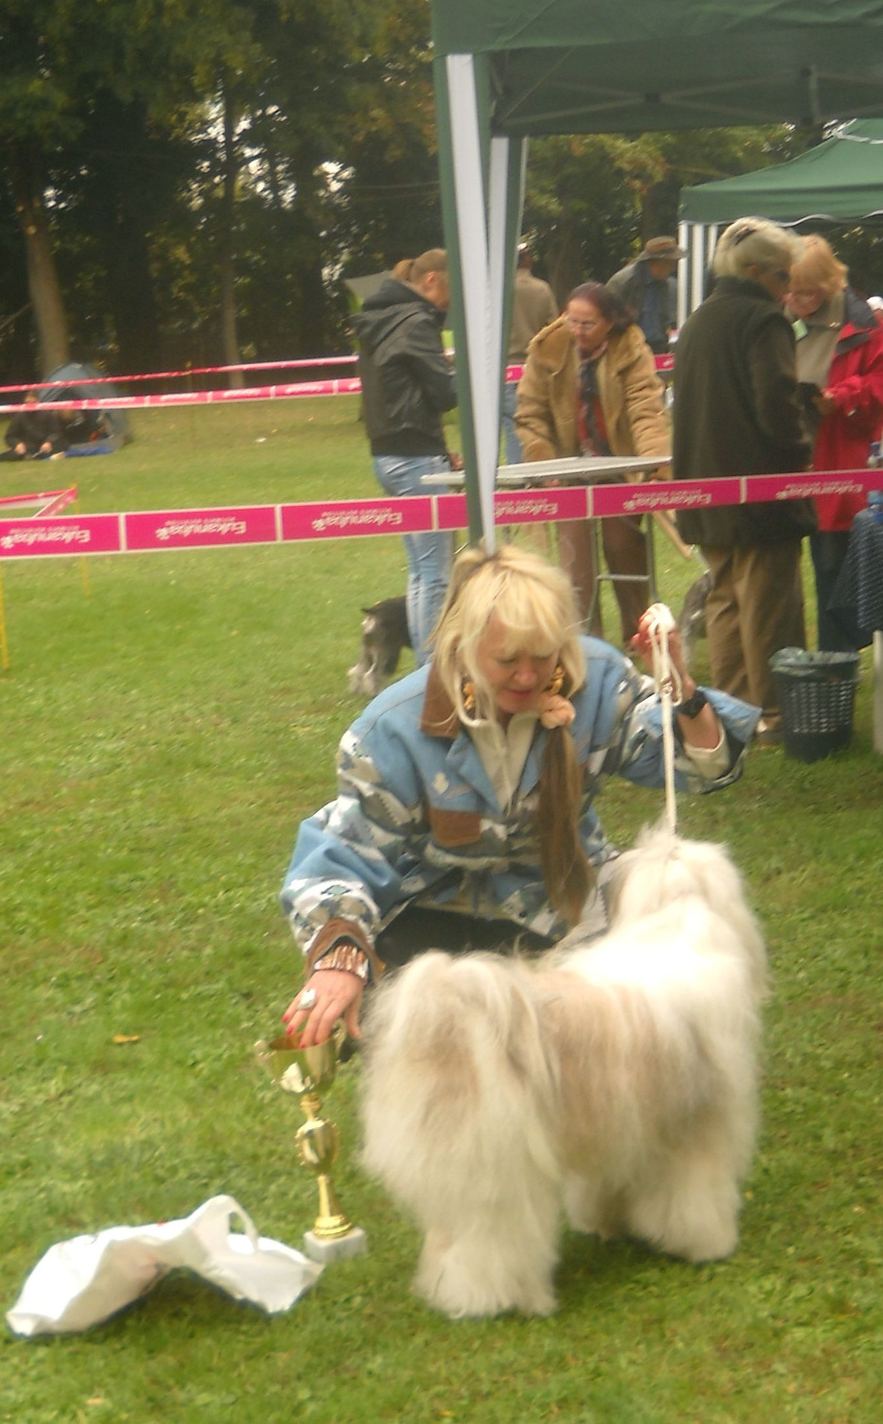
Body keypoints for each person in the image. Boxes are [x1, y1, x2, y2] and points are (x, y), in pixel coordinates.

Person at [278, 543, 759, 1048]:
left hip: (562, 900)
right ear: (461, 646)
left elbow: (705, 765)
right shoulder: (389, 731)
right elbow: (342, 858)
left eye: (543, 655)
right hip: (435, 913)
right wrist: (340, 958)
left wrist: (680, 688)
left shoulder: (598, 680)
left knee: (689, 892)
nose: (529, 676)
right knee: (428, 1044)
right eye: (507, 659)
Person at [672, 217, 812, 742]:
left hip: (705, 489)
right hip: (759, 492)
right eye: (782, 277)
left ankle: (734, 710)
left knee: (725, 603)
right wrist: (801, 447)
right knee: (769, 607)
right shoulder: (763, 321)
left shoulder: (698, 320)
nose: (789, 289)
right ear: (754, 271)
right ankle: (776, 714)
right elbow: (775, 403)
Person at [515, 281, 671, 642]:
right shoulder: (547, 349)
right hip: (567, 473)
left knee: (624, 551)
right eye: (572, 321)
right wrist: (543, 463)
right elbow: (530, 415)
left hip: (619, 470)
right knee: (575, 565)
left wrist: (654, 466)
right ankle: (585, 646)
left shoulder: (631, 348)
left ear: (610, 323)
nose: (577, 331)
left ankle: (638, 639)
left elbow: (646, 411)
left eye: (587, 324)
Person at [786, 236, 883, 650]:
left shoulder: (866, 323)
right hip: (793, 456)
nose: (798, 300)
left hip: (845, 458)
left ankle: (838, 657)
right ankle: (826, 653)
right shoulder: (779, 320)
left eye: (807, 291)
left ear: (829, 283)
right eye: (791, 290)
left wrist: (840, 398)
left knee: (834, 559)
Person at [355, 248, 458, 665]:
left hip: (389, 454)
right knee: (435, 576)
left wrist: (438, 447)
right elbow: (443, 393)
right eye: (453, 290)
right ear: (431, 280)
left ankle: (426, 669)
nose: (453, 304)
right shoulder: (416, 323)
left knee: (420, 571)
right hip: (416, 459)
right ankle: (432, 672)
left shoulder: (381, 318)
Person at [504, 243, 558, 465]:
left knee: (510, 427)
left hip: (502, 371)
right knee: (531, 428)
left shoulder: (496, 290)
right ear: (527, 259)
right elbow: (554, 329)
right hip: (533, 369)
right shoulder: (542, 289)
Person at [607, 236, 683, 357]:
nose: (673, 268)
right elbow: (607, 318)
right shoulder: (623, 282)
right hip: (628, 348)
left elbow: (667, 318)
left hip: (657, 348)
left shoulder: (667, 284)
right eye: (670, 263)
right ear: (656, 262)